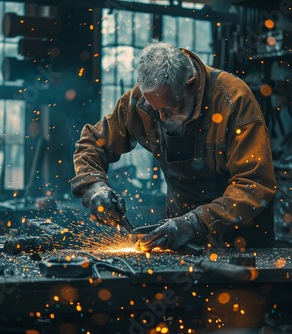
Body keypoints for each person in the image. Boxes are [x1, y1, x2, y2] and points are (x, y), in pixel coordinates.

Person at [71, 40, 277, 251]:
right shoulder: (142, 101)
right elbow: (92, 142)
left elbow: (254, 184)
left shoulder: (234, 100)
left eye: (169, 108)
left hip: (242, 242)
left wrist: (195, 222)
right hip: (183, 242)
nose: (161, 117)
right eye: (154, 108)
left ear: (192, 85)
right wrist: (95, 186)